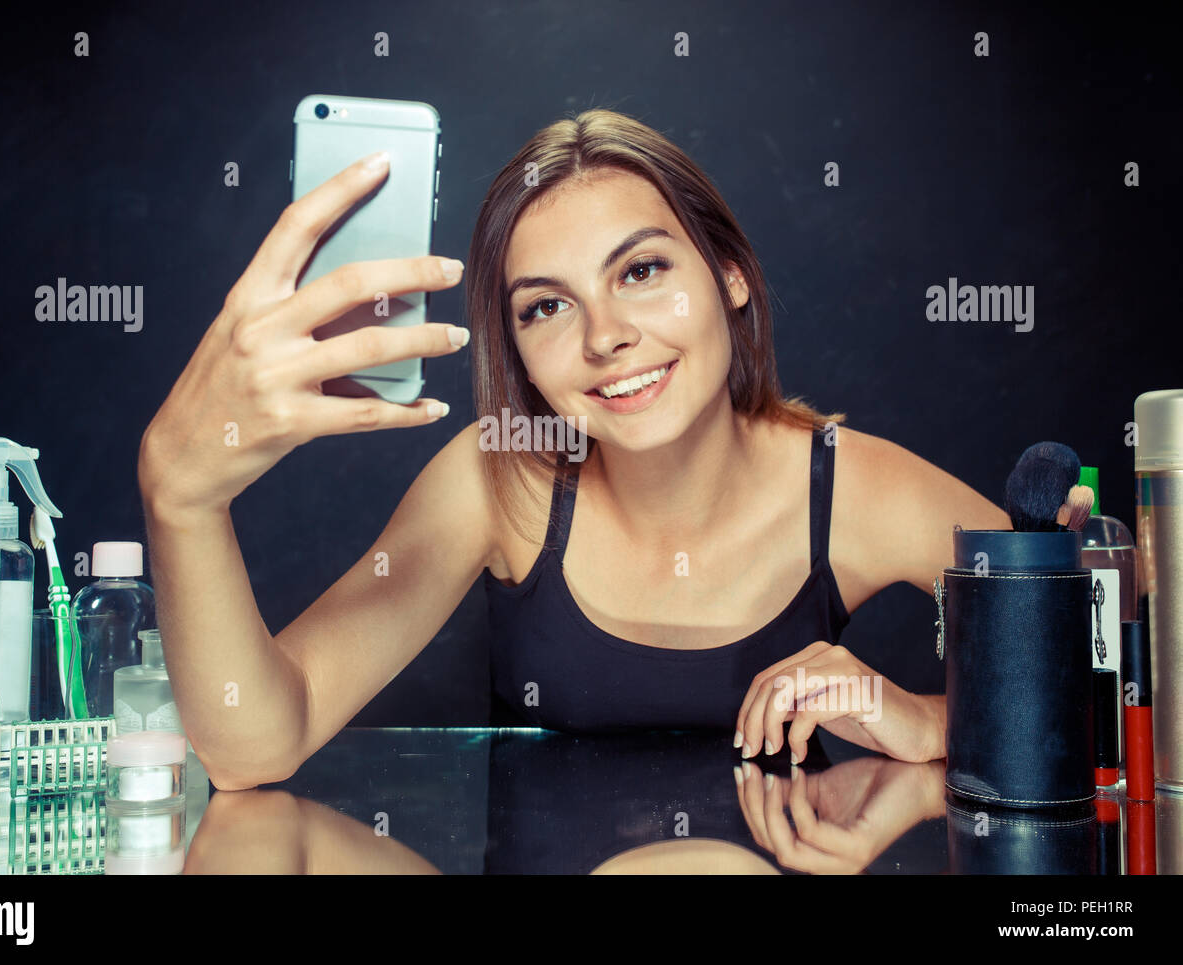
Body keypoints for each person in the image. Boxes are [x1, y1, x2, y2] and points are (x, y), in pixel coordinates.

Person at [138, 109, 1009, 791]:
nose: (606, 337)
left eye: (641, 271)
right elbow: (256, 741)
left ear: (730, 273)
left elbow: (1106, 666)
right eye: (545, 307)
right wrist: (180, 497)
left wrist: (934, 723)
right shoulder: (499, 480)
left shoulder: (852, 486)